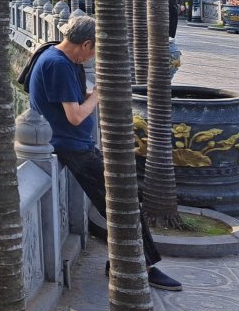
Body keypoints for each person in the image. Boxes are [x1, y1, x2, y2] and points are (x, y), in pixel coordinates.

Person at [28, 15, 182, 292]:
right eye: (96, 50)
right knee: (123, 201)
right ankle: (140, 266)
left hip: (77, 145)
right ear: (86, 44)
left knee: (122, 199)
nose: (94, 57)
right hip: (72, 147)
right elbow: (75, 116)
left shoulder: (62, 58)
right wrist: (99, 93)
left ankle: (125, 260)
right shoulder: (58, 65)